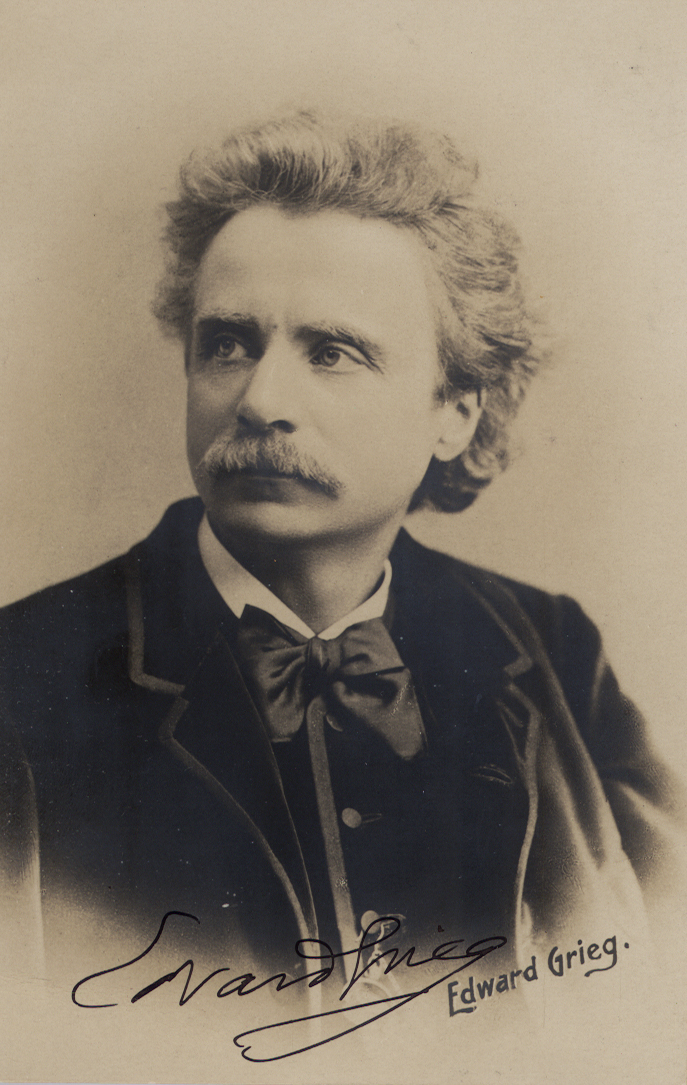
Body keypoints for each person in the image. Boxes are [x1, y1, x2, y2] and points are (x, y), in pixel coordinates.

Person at [0, 113, 681, 1000]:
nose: (259, 399)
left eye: (332, 352)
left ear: (454, 411)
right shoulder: (22, 676)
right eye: (227, 344)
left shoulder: (553, 651)